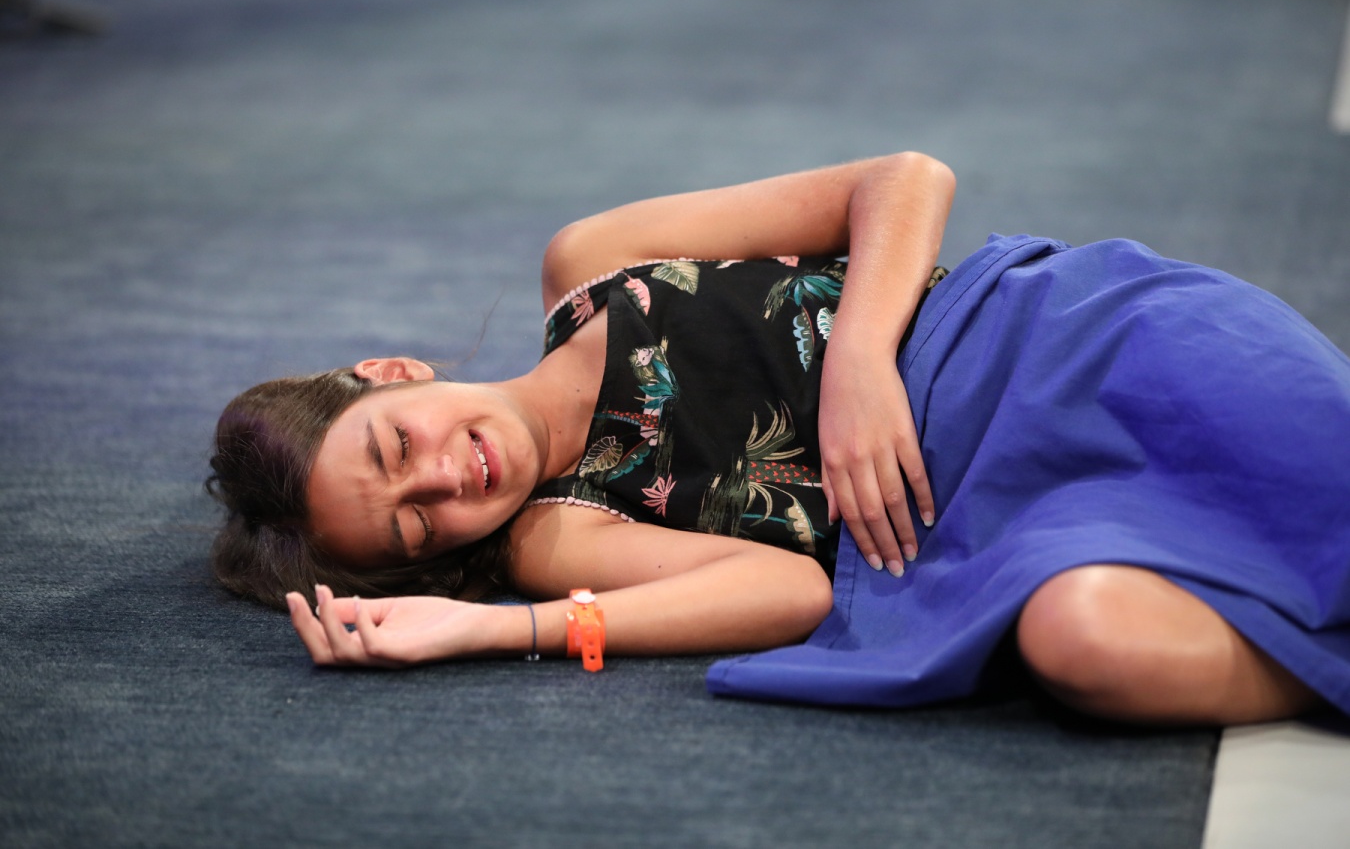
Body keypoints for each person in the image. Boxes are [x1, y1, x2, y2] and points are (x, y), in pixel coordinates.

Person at [207, 152, 1350, 726]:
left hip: (1045, 341)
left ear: (391, 373)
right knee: (1085, 642)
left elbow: (903, 180)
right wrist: (483, 629)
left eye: (396, 446)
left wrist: (858, 363)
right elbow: (790, 594)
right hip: (987, 517)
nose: (447, 478)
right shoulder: (560, 534)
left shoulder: (591, 265)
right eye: (418, 525)